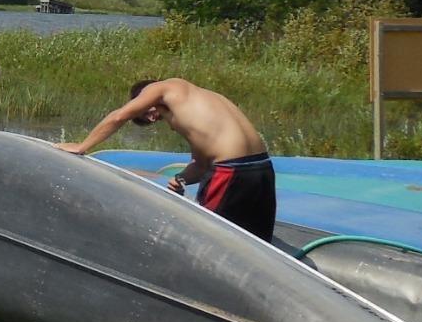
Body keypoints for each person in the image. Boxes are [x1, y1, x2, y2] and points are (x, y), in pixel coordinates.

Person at [57, 77, 277, 240]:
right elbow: (201, 165)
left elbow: (120, 115)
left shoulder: (162, 87)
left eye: (145, 110)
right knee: (258, 243)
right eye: (149, 118)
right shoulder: (205, 101)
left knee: (209, 238)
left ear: (144, 95)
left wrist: (82, 146)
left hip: (231, 171)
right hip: (262, 169)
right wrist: (181, 179)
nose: (152, 116)